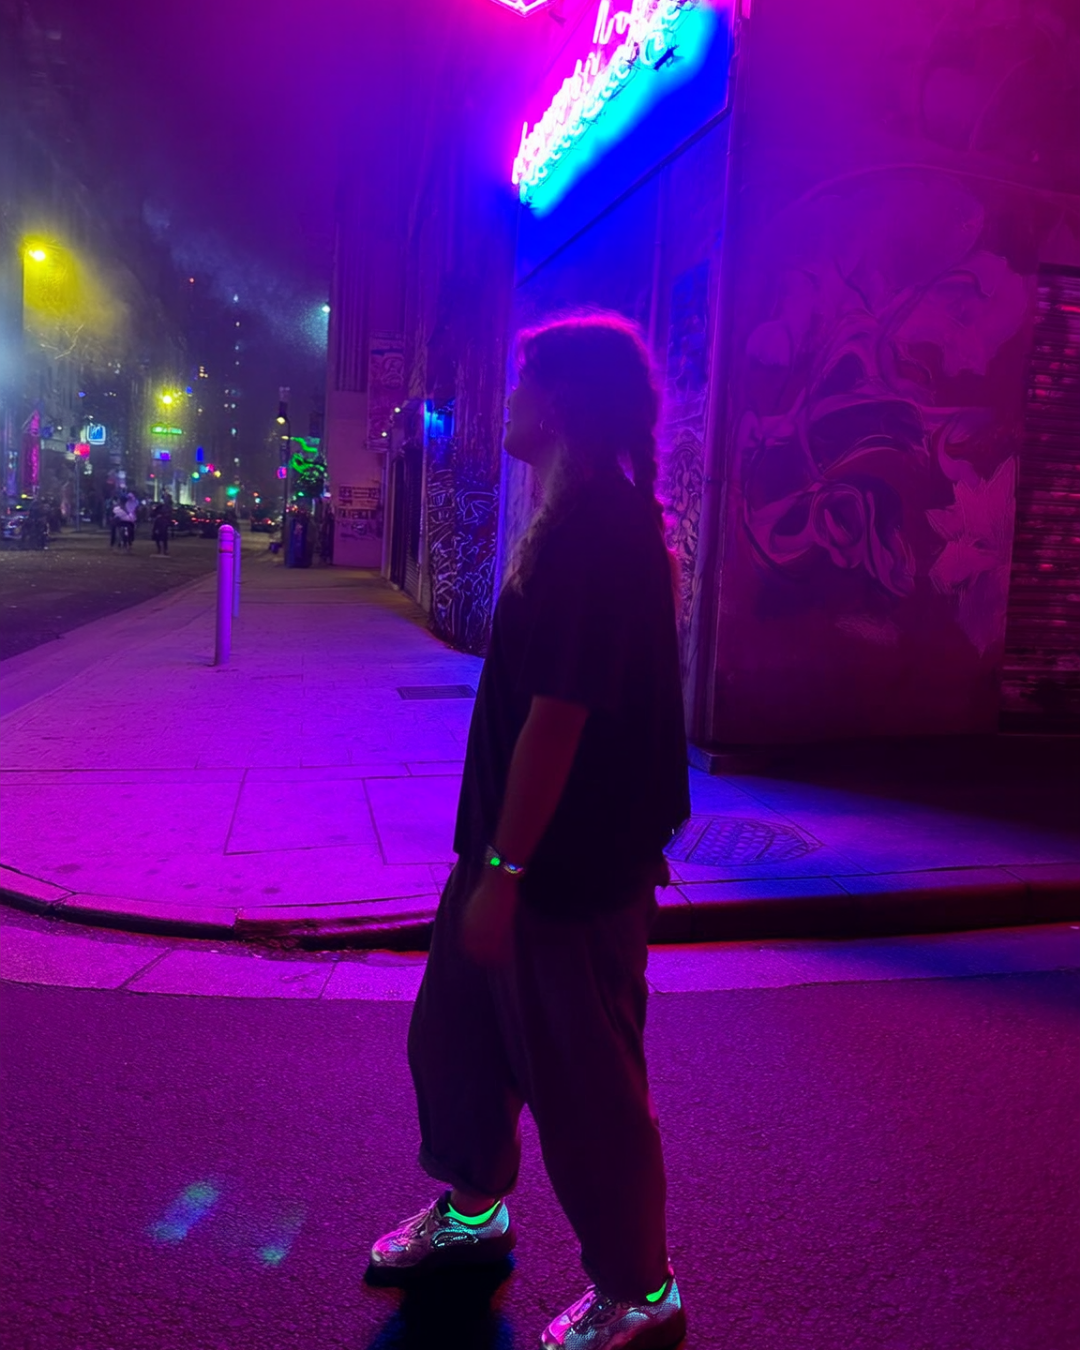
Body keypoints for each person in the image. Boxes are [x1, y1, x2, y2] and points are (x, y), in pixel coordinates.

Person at [368, 313, 691, 1349]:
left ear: (558, 404)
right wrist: (488, 864)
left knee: (587, 1086)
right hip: (504, 856)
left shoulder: (600, 532)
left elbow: (560, 718)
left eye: (520, 384)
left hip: (567, 873)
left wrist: (505, 874)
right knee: (456, 1042)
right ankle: (473, 1214)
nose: (505, 401)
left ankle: (640, 1293)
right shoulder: (567, 517)